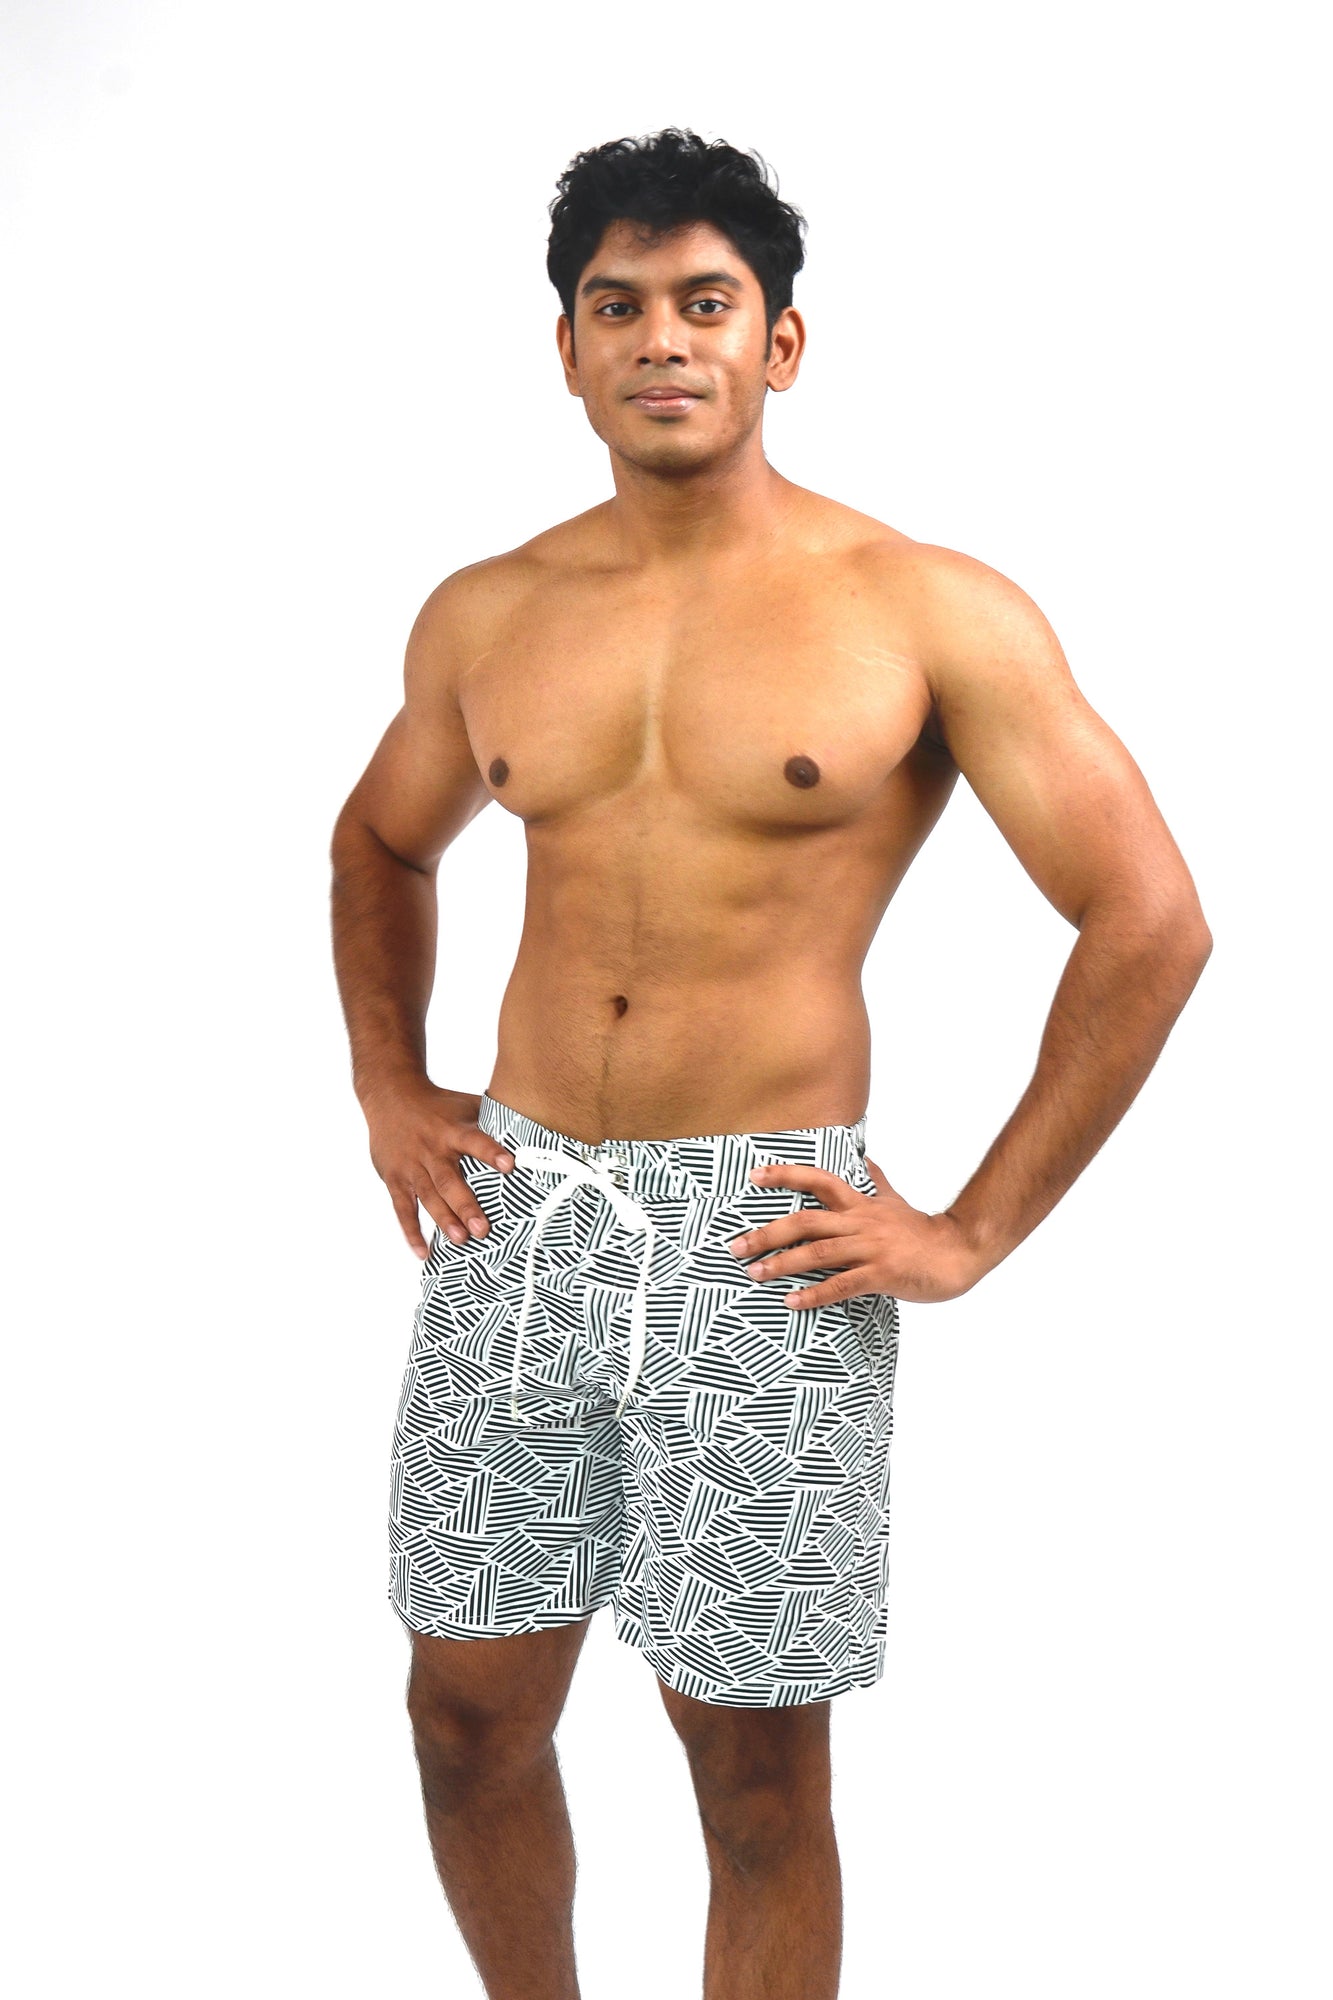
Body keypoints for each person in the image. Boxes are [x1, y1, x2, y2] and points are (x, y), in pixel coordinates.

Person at [329, 128, 1211, 2000]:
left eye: (704, 303)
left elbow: (1148, 919)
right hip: (516, 1215)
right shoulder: (489, 612)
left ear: (778, 344)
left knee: (749, 1778)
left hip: (763, 1241)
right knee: (463, 1720)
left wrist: (968, 1230)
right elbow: (380, 842)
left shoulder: (924, 607)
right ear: (566, 350)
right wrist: (387, 1084)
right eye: (618, 306)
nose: (662, 339)